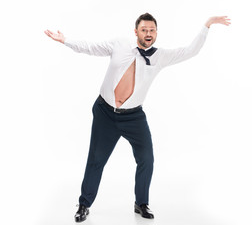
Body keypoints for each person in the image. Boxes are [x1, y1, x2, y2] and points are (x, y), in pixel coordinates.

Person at [44, 13, 231, 222]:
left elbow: (191, 51)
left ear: (156, 33)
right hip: (105, 112)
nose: (148, 34)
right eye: (144, 30)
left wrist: (207, 24)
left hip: (133, 117)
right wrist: (66, 40)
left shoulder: (160, 56)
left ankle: (141, 202)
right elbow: (90, 47)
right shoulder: (120, 44)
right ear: (136, 32)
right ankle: (83, 204)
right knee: (96, 160)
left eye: (152, 30)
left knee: (146, 159)